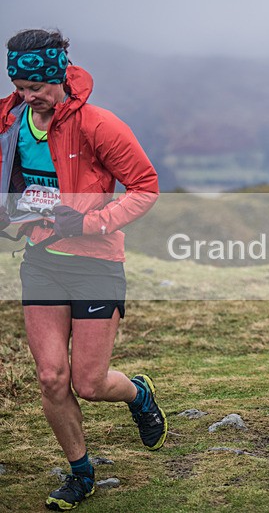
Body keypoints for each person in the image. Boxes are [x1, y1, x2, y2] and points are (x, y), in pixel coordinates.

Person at [1, 29, 164, 511]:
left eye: (37, 88)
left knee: (89, 384)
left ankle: (138, 394)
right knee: (52, 377)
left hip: (96, 262)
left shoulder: (98, 124)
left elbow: (146, 187)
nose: (29, 98)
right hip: (42, 262)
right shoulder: (10, 119)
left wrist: (92, 220)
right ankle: (81, 472)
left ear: (58, 77)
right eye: (20, 87)